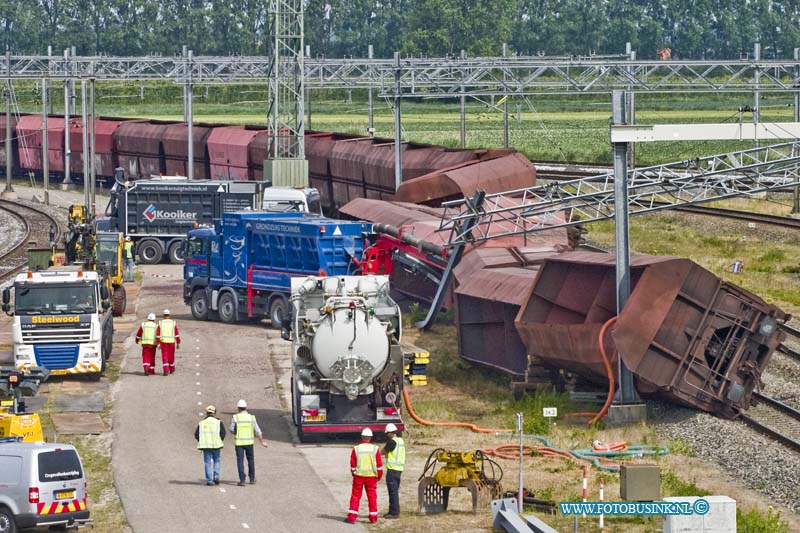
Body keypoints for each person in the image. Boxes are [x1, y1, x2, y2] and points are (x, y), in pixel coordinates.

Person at [346, 428, 382, 524]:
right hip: (371, 477)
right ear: (370, 438)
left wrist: (354, 473)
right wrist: (379, 476)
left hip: (359, 476)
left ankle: (352, 517)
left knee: (355, 496)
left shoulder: (356, 448)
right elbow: (379, 465)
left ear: (362, 437)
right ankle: (373, 518)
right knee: (372, 497)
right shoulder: (375, 449)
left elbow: (352, 464)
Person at [230, 399, 268, 487]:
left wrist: (235, 432)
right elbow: (257, 430)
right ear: (246, 407)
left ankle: (242, 480)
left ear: (238, 408)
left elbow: (231, 429)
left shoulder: (235, 417)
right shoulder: (251, 417)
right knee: (250, 460)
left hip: (239, 443)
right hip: (249, 443)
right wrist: (262, 441)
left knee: (240, 461)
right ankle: (252, 478)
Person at [195, 405, 226, 486]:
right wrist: (219, 440)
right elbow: (223, 433)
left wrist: (201, 441)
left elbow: (196, 434)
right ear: (214, 413)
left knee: (207, 463)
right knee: (217, 461)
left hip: (206, 446)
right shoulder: (218, 422)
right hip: (216, 445)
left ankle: (209, 481)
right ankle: (216, 476)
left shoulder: (202, 423)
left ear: (207, 413)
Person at [381, 423, 405, 519]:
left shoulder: (392, 442)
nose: (387, 435)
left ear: (391, 433)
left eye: (387, 433)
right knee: (394, 491)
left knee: (392, 492)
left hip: (392, 470)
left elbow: (383, 452)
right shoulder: (401, 441)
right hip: (399, 470)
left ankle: (394, 512)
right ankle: (392, 511)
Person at [158, 309, 180, 375]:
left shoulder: (160, 323)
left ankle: (166, 370)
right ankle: (172, 369)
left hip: (163, 342)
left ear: (163, 315)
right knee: (171, 356)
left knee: (165, 356)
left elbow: (158, 334)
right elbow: (176, 333)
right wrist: (178, 342)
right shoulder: (173, 323)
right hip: (171, 343)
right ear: (169, 315)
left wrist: (158, 343)